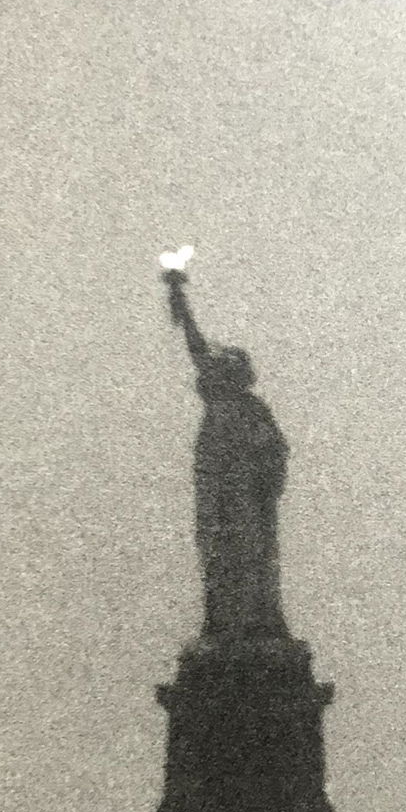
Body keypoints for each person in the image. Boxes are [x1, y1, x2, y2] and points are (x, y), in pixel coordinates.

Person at [163, 264, 290, 641]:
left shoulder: (251, 410)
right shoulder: (226, 407)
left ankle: (253, 618)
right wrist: (179, 300)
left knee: (248, 551)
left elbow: (276, 451)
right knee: (217, 550)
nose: (216, 373)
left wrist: (263, 473)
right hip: (217, 487)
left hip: (244, 494)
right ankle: (223, 618)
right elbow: (197, 345)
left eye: (227, 369)